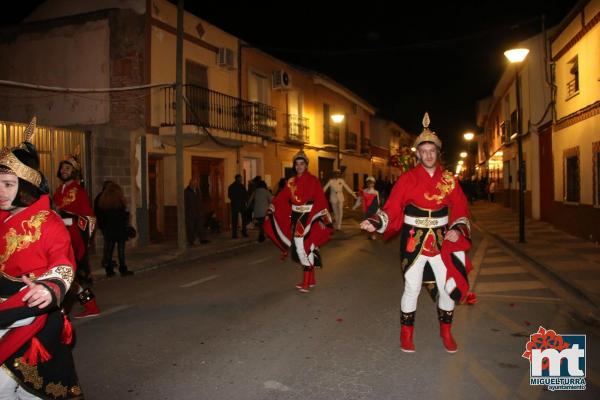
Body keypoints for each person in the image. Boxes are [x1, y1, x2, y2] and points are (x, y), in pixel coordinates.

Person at [360, 112, 473, 353]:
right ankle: (406, 335)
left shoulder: (449, 179)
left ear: (437, 153)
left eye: (432, 151)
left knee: (446, 288)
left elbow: (461, 207)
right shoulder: (407, 179)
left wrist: (457, 230)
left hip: (442, 241)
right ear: (418, 154)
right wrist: (375, 222)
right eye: (424, 151)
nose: (428, 155)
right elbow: (391, 208)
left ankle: (446, 333)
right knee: (411, 287)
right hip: (413, 241)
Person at [0, 117, 84, 398]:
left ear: (26, 185)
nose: (1, 191)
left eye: (9, 184)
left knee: (29, 389)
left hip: (32, 312)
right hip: (5, 313)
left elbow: (62, 259)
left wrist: (50, 287)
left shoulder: (47, 221)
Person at [264, 150, 333, 293]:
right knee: (307, 247)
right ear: (294, 166)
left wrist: (322, 219)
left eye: (302, 163)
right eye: (297, 164)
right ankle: (311, 280)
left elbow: (321, 199)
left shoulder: (313, 180)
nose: (299, 166)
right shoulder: (290, 182)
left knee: (301, 248)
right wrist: (272, 205)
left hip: (308, 217)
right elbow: (282, 197)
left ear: (306, 165)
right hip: (296, 217)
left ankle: (306, 283)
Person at [53, 147, 100, 319]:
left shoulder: (78, 191)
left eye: (68, 169)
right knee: (69, 279)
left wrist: (65, 217)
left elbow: (89, 217)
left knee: (69, 278)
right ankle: (90, 305)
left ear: (74, 172)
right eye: (63, 168)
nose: (64, 171)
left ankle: (61, 313)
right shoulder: (59, 191)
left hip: (72, 240)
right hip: (58, 238)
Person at [96, 182, 134, 277]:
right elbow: (123, 216)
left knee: (109, 249)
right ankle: (123, 268)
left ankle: (109, 269)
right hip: (120, 229)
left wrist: (103, 227)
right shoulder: (119, 202)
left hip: (109, 229)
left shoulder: (103, 202)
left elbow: (101, 216)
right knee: (121, 249)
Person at [353, 176, 380, 240]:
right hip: (366, 210)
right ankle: (369, 234)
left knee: (373, 222)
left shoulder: (376, 192)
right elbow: (359, 200)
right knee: (367, 222)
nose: (370, 184)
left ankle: (373, 234)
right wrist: (355, 206)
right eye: (368, 183)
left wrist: (378, 210)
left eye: (371, 183)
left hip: (374, 209)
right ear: (367, 183)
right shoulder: (364, 191)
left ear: (374, 183)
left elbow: (378, 202)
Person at [184, 176, 209, 246]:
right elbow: (184, 203)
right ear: (190, 183)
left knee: (200, 226)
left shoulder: (198, 191)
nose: (195, 184)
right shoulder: (186, 192)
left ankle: (202, 239)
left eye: (196, 183)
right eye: (194, 183)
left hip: (198, 212)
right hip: (190, 212)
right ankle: (191, 241)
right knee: (190, 227)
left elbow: (200, 201)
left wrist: (202, 210)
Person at [227, 174, 248, 238]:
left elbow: (229, 196)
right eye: (240, 178)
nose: (241, 180)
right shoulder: (241, 186)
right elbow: (245, 195)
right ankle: (244, 232)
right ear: (237, 179)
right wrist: (246, 201)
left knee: (234, 220)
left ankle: (234, 234)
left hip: (235, 204)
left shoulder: (231, 186)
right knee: (243, 219)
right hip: (241, 204)